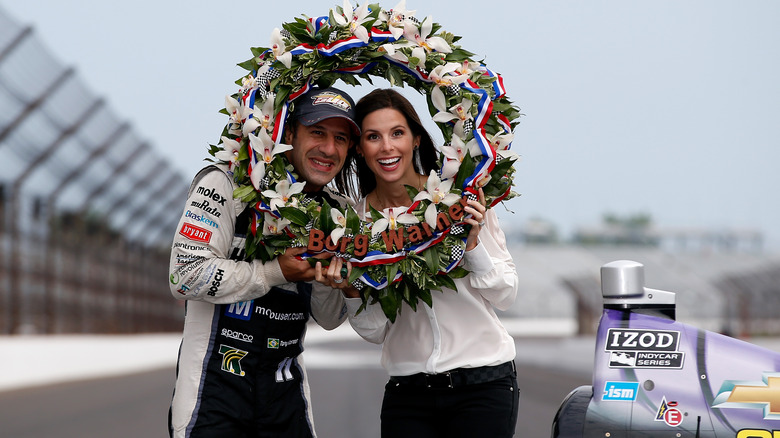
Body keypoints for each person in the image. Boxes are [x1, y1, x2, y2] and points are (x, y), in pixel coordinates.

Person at [318, 88, 520, 438]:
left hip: (484, 385)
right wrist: (350, 288)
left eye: (397, 133)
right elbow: (377, 331)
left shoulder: (461, 199)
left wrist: (471, 245)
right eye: (372, 137)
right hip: (407, 395)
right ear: (359, 147)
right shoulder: (351, 225)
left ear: (415, 139)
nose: (387, 147)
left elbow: (506, 293)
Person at [167, 86, 360, 438]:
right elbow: (184, 275)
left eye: (341, 139)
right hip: (211, 394)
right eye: (317, 132)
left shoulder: (339, 213)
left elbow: (330, 318)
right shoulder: (225, 183)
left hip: (285, 396)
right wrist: (275, 272)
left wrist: (338, 281)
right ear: (289, 133)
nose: (329, 149)